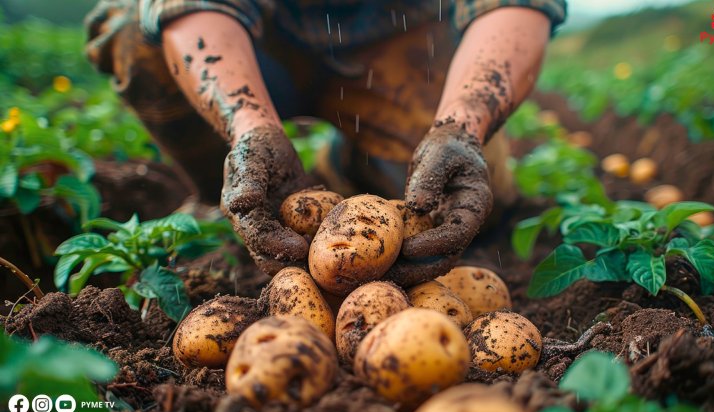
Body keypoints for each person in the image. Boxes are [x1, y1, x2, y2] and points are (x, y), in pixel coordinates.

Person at [85, 0, 566, 285]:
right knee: (134, 34)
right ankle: (237, 190)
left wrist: (462, 125)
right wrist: (250, 126)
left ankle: (347, 165)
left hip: (401, 36)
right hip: (256, 38)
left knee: (449, 202)